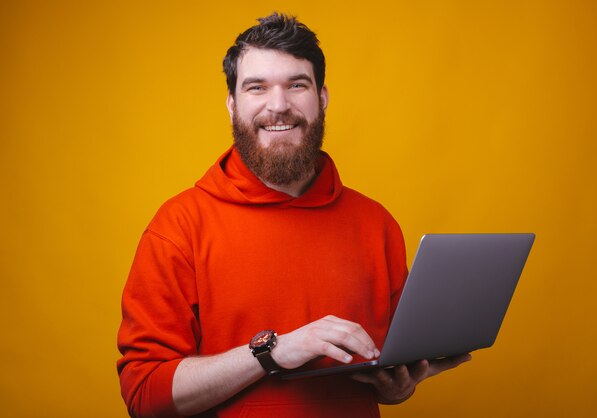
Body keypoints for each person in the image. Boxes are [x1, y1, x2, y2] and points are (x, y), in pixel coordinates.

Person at [117, 12, 470, 418]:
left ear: (321, 97)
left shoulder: (377, 224)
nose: (279, 105)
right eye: (257, 87)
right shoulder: (177, 227)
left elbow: (387, 375)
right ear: (232, 103)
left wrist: (398, 385)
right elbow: (145, 395)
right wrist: (272, 352)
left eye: (296, 85)